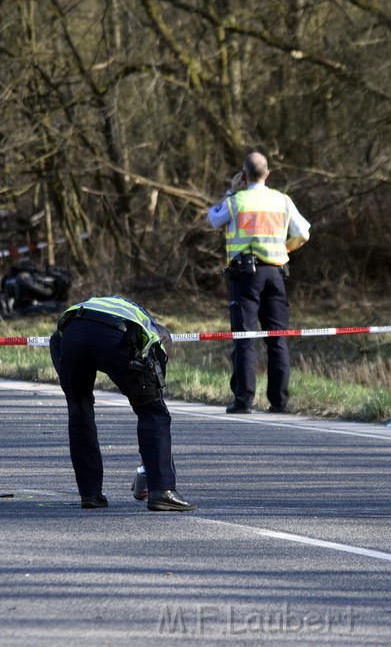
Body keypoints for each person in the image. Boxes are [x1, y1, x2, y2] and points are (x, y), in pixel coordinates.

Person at [49, 295, 196, 512]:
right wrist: (150, 473)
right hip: (113, 335)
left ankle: (90, 494)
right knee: (153, 411)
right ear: (162, 341)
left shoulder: (125, 309)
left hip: (70, 332)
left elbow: (56, 339)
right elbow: (150, 401)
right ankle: (163, 492)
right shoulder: (151, 335)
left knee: (79, 409)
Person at [207, 152, 311, 414]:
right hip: (276, 274)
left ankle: (243, 401)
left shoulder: (237, 200)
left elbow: (213, 218)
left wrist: (231, 192)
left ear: (243, 175)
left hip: (246, 277)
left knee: (245, 338)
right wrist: (283, 250)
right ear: (268, 173)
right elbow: (304, 233)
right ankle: (279, 402)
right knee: (277, 339)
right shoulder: (282, 200)